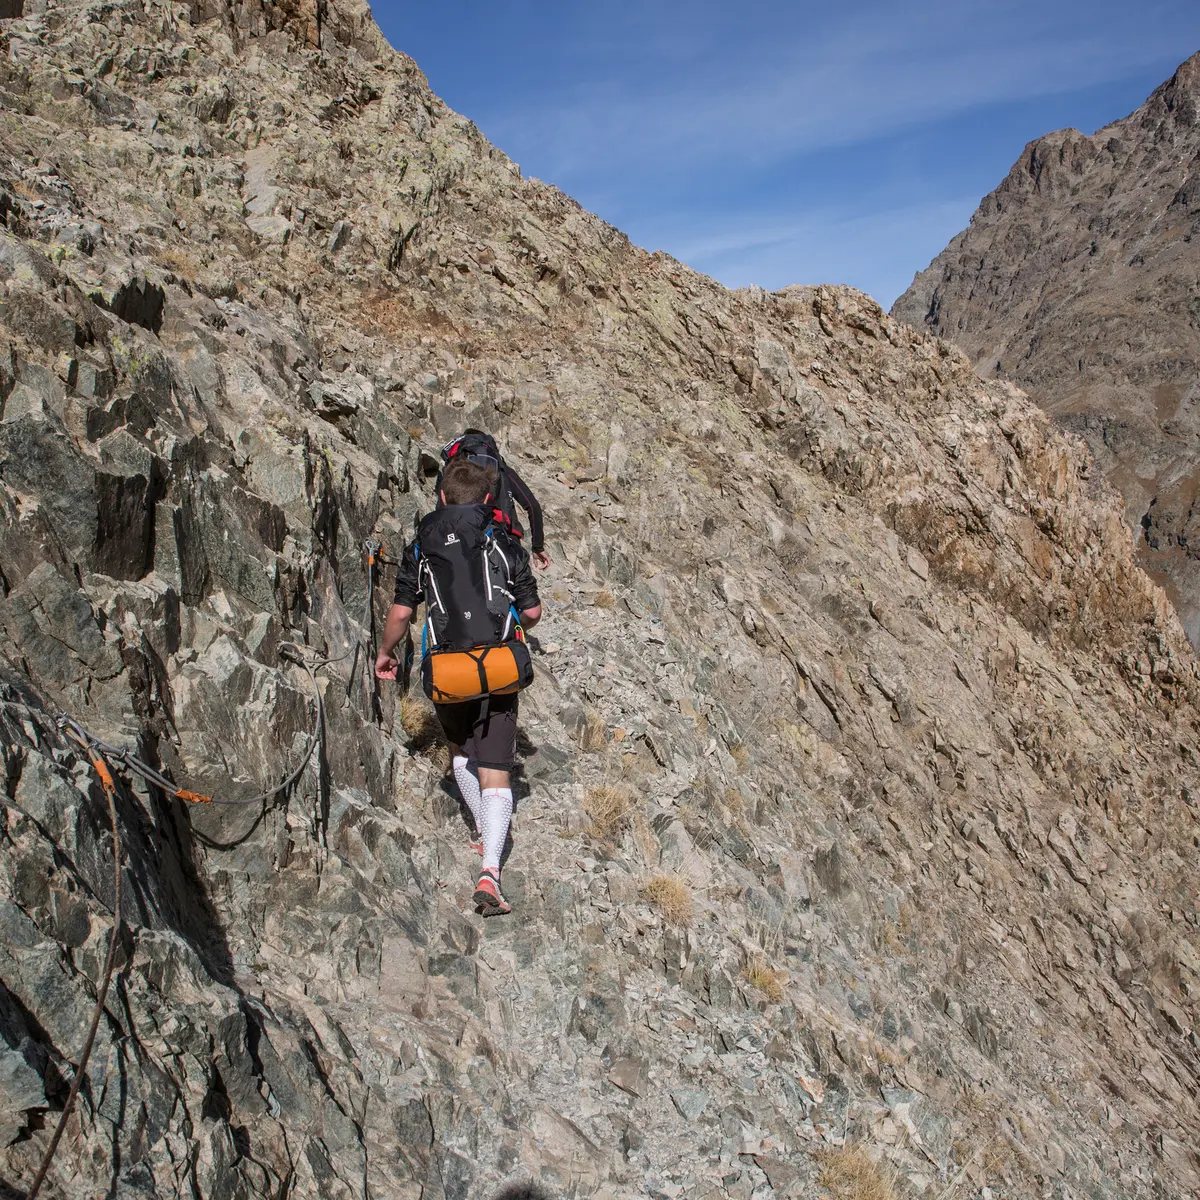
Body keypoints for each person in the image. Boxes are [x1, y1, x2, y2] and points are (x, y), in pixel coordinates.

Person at [375, 456, 542, 915]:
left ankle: (480, 830)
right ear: (489, 499)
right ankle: (491, 869)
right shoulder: (504, 543)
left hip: (448, 671)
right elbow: (531, 613)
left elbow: (402, 614)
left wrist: (386, 653)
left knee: (463, 754)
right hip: (499, 668)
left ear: (442, 496)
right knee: (496, 769)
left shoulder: (421, 545)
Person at [439, 429, 551, 571]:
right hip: (506, 542)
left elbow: (441, 511)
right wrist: (537, 547)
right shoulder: (501, 469)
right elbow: (532, 505)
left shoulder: (454, 470)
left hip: (464, 542)